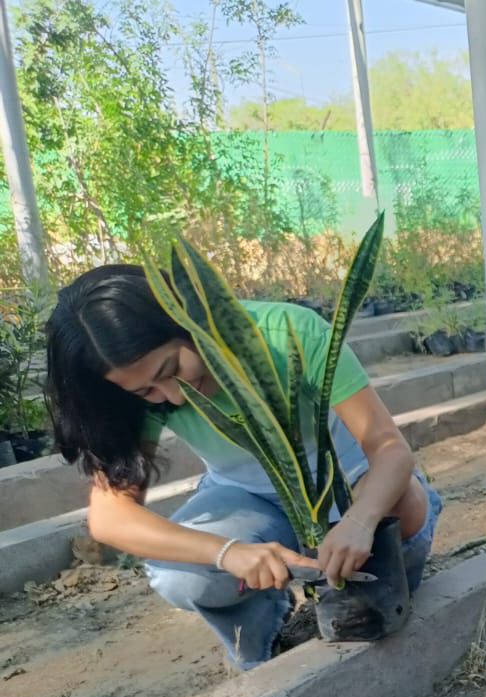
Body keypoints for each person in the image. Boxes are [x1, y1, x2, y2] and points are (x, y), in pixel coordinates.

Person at [45, 265, 444, 670]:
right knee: (179, 575)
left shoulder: (287, 333)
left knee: (400, 505)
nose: (173, 397)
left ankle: (389, 600)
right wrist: (226, 552)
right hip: (247, 498)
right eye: (146, 391)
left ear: (184, 320)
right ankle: (266, 637)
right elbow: (110, 518)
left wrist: (359, 520)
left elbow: (390, 449)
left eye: (170, 371)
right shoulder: (150, 395)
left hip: (349, 482)